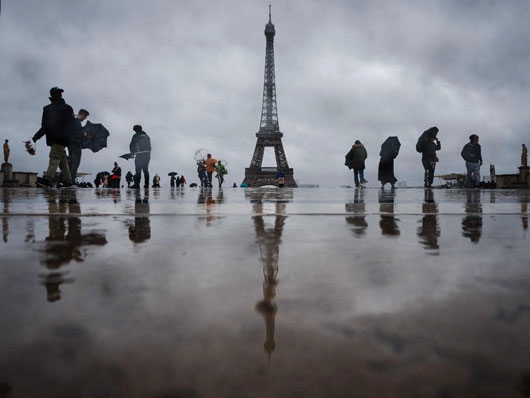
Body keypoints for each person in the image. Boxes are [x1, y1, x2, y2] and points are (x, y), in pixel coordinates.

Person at [32, 87, 76, 187]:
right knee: (62, 161)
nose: (60, 95)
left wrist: (36, 137)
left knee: (54, 158)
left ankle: (47, 179)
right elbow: (72, 125)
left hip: (57, 140)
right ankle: (68, 181)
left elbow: (45, 127)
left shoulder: (48, 109)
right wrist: (36, 137)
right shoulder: (67, 108)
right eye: (59, 93)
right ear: (53, 95)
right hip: (63, 139)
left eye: (60, 93)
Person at [68, 108, 89, 183]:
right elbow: (75, 133)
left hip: (70, 145)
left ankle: (69, 179)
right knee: (75, 163)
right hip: (76, 145)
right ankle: (72, 180)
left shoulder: (73, 121)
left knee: (71, 163)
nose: (85, 118)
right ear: (82, 114)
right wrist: (84, 134)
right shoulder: (77, 122)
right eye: (85, 116)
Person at [129, 125, 151, 189]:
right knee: (145, 170)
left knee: (138, 170)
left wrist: (132, 152)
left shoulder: (136, 135)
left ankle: (137, 184)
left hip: (140, 154)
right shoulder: (147, 136)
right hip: (147, 154)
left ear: (135, 130)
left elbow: (132, 144)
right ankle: (146, 184)